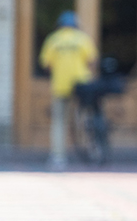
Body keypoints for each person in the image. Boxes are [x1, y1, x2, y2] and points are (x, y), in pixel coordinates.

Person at [38, 11, 97, 171]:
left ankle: (58, 157)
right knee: (85, 119)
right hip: (81, 85)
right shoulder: (82, 39)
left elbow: (46, 64)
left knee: (59, 122)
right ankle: (91, 152)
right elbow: (91, 61)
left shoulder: (53, 39)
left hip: (60, 85)